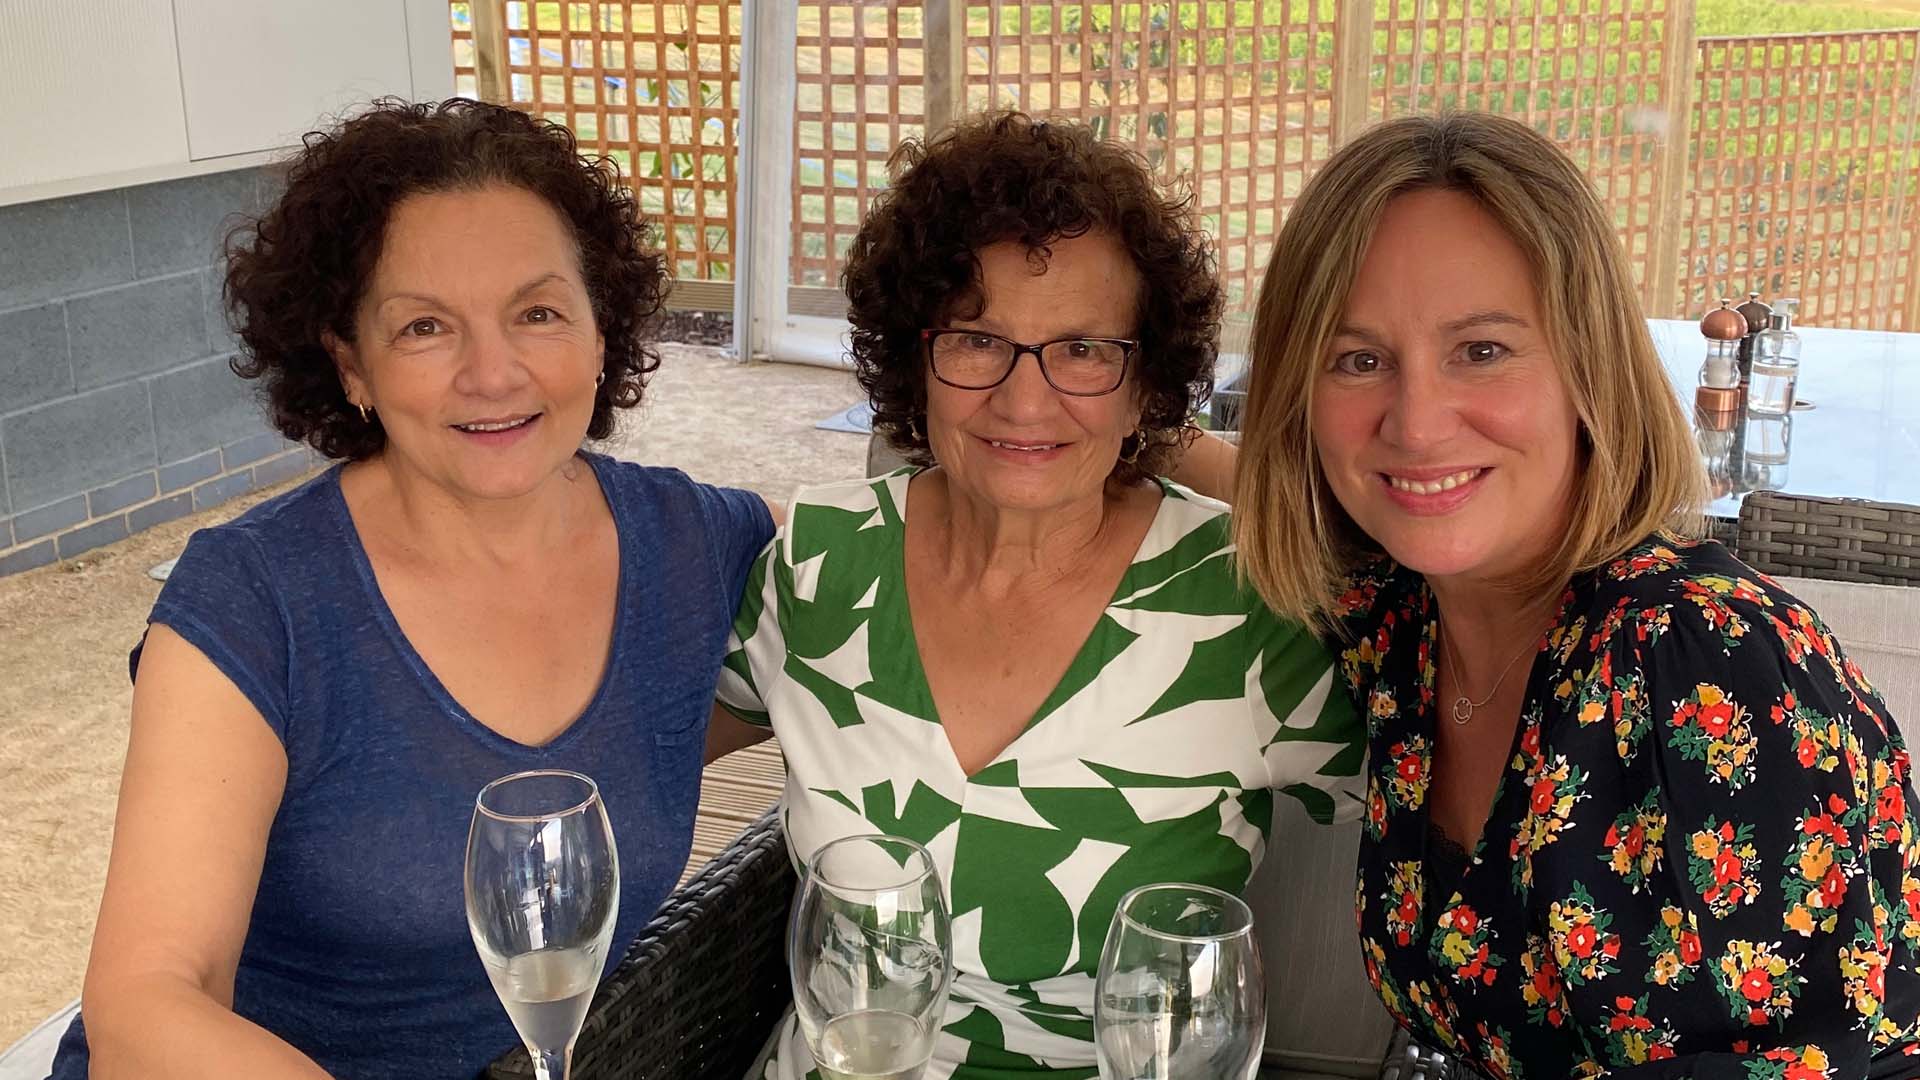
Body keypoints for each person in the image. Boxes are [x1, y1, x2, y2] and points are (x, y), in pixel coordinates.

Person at [51, 99, 773, 1079]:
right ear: (351, 364)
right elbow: (145, 1007)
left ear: (602, 331)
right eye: (426, 326)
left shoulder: (705, 548)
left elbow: (930, 596)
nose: (493, 372)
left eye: (538, 311)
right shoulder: (257, 601)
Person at [1232, 111, 1920, 1079]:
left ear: (1586, 367)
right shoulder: (1406, 626)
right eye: (1358, 360)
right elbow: (1267, 478)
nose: (1417, 423)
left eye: (1481, 350)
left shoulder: (1707, 661)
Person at [707, 110, 1365, 1079]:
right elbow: (641, 762)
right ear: (911, 356)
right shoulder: (818, 563)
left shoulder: (1249, 602)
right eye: (977, 340)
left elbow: (1470, 808)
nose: (1024, 400)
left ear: (1151, 381)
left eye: (1085, 350)